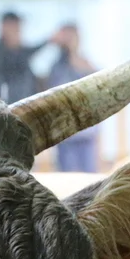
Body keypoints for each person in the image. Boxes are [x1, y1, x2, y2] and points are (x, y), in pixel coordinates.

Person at [47, 24, 100, 172]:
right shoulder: (57, 68)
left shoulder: (85, 63)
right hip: (66, 133)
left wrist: (74, 54)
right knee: (67, 175)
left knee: (89, 177)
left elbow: (98, 83)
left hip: (86, 131)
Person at [0, 12, 57, 104]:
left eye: (18, 29)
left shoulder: (22, 53)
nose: (17, 32)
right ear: (4, 28)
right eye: (14, 28)